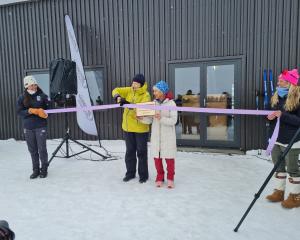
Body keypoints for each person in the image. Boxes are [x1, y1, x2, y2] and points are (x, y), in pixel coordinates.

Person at [266, 69, 300, 208]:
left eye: (281, 80)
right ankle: (279, 192)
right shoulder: (276, 97)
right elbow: (269, 112)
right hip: (276, 138)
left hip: (292, 140)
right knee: (278, 166)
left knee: (292, 168)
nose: (278, 82)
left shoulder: (297, 99)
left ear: (290, 83)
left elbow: (298, 121)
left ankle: (295, 197)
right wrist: (268, 116)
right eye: (278, 80)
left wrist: (282, 115)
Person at [112, 74, 151, 183]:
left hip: (141, 129)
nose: (133, 85)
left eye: (136, 83)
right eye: (133, 82)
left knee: (141, 152)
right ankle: (130, 173)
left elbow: (142, 110)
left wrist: (128, 104)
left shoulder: (146, 95)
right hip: (128, 128)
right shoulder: (129, 90)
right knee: (130, 152)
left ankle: (143, 175)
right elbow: (115, 90)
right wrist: (117, 97)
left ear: (141, 84)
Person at [139, 80, 178, 188]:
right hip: (156, 137)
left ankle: (170, 178)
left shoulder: (172, 103)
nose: (154, 93)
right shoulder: (153, 103)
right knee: (157, 159)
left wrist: (161, 118)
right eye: (154, 91)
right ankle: (159, 177)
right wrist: (141, 119)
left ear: (162, 91)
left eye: (156, 91)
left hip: (168, 137)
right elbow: (150, 120)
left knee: (169, 160)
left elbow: (173, 121)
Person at [17, 76, 50, 179]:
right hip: (28, 127)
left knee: (42, 149)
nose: (34, 86)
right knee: (33, 150)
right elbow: (19, 112)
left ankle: (44, 169)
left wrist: (46, 114)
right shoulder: (21, 98)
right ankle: (35, 170)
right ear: (27, 86)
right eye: (32, 85)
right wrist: (30, 111)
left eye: (35, 84)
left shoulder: (43, 96)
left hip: (40, 126)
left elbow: (50, 109)